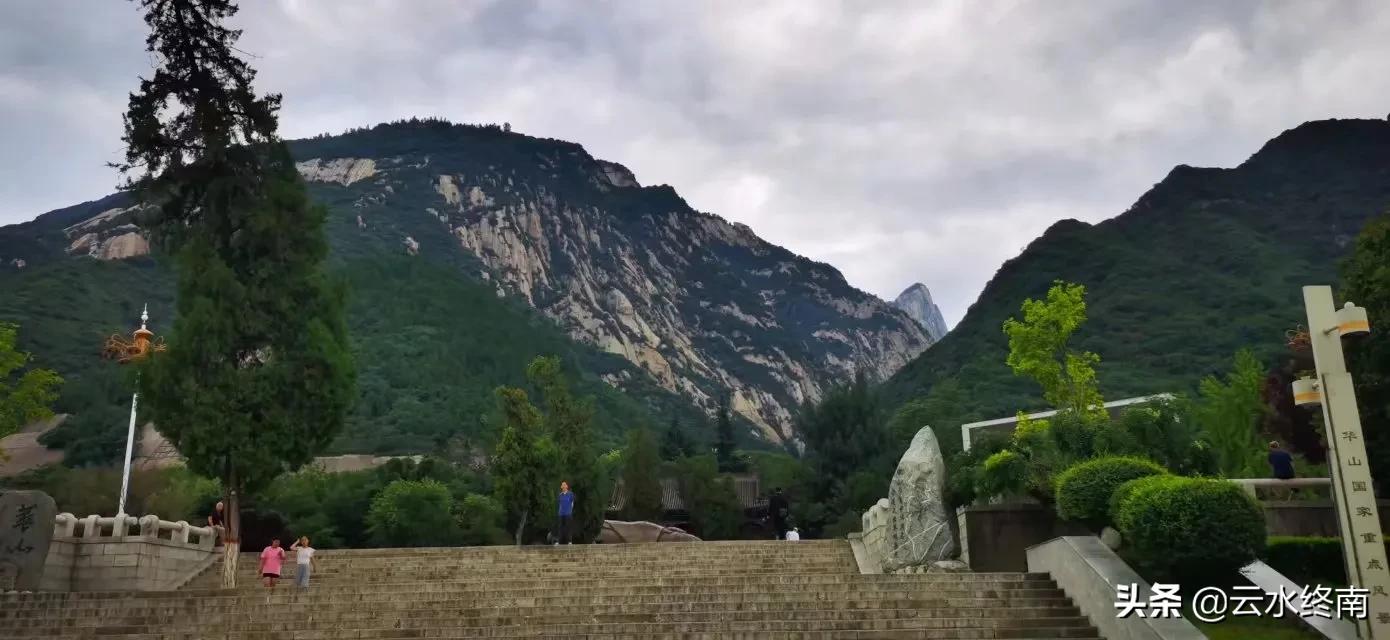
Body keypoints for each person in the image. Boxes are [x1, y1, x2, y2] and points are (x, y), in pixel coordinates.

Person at [556, 481, 575, 546]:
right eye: (562, 485)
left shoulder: (570, 494)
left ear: (567, 486)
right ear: (561, 487)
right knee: (560, 528)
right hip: (561, 514)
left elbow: (572, 503)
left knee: (568, 527)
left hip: (568, 513)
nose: (563, 486)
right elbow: (559, 504)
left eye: (564, 485)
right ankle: (558, 541)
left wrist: (569, 510)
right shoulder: (560, 495)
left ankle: (569, 541)